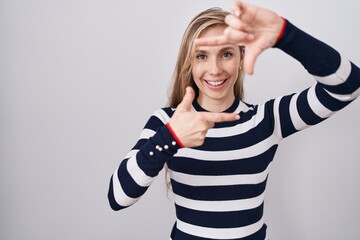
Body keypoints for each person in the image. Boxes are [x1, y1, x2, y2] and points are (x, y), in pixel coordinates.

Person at [108, 1, 359, 239]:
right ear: (189, 63)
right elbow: (118, 197)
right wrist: (170, 138)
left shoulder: (267, 119)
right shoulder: (167, 121)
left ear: (241, 57)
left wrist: (286, 35)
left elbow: (348, 86)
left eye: (226, 54)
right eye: (201, 56)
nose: (215, 69)